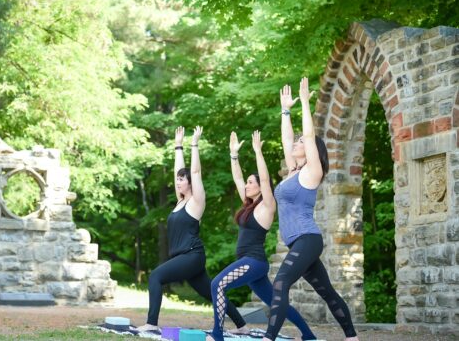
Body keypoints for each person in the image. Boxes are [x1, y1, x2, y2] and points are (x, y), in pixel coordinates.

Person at [263, 79, 359, 341]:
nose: (295, 143)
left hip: (307, 239)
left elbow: (307, 135)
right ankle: (352, 337)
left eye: (300, 142)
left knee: (280, 283)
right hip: (298, 242)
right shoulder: (293, 171)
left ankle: (268, 338)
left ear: (311, 149)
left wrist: (305, 102)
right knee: (327, 292)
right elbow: (287, 137)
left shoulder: (312, 172)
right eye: (295, 143)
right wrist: (285, 111)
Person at [135, 126, 247, 333]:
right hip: (186, 257)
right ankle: (242, 325)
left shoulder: (196, 202)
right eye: (177, 179)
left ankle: (151, 323)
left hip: (192, 255)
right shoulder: (179, 202)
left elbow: (195, 171)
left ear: (190, 183)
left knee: (155, 277)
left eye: (181, 180)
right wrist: (178, 146)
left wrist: (193, 144)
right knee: (211, 292)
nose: (177, 182)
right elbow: (179, 170)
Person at [207, 131, 317, 341]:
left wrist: (258, 151)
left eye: (251, 182)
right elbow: (237, 178)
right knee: (276, 303)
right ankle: (308, 335)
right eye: (247, 183)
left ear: (259, 187)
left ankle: (217, 335)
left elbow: (265, 179)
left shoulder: (267, 206)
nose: (247, 185)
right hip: (250, 264)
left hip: (254, 262)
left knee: (217, 285)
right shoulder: (248, 206)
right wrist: (233, 155)